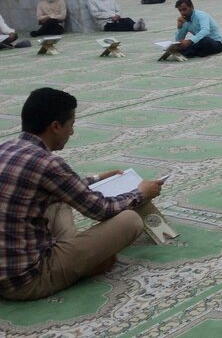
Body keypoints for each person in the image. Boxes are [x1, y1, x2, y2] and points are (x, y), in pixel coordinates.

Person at [0, 87, 163, 301]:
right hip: (27, 280)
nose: (72, 133)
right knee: (130, 220)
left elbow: (63, 186)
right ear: (56, 126)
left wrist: (98, 179)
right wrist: (141, 193)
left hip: (8, 268)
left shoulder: (6, 148)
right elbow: (101, 210)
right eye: (71, 125)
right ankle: (81, 265)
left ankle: (74, 257)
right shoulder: (48, 163)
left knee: (59, 201)